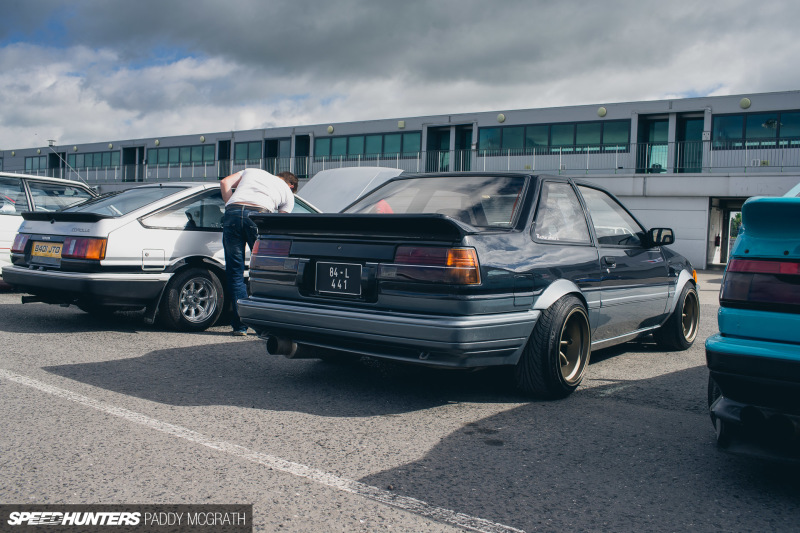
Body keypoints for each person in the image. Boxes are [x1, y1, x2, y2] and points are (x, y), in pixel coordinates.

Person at [220, 168, 297, 335]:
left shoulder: (252, 171)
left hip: (233, 212)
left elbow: (224, 182)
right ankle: (263, 325)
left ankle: (240, 326)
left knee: (235, 273)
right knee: (265, 272)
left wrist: (229, 205)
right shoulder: (288, 194)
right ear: (291, 186)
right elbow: (278, 224)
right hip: (259, 216)